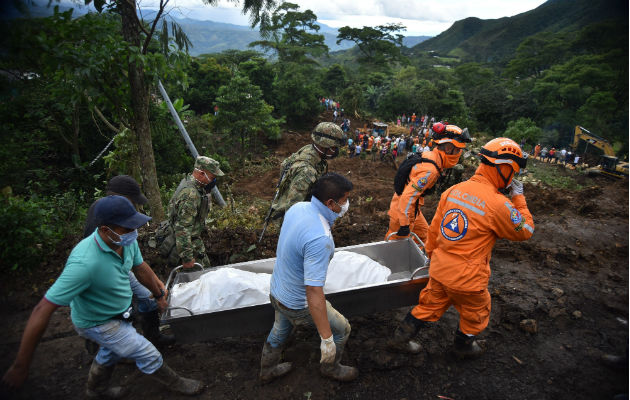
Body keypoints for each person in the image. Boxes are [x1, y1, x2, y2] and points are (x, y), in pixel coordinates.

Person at [2, 196, 204, 396]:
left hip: (118, 313)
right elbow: (42, 310)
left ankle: (95, 390)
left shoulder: (125, 242)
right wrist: (21, 365)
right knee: (146, 352)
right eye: (128, 228)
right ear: (106, 230)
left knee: (111, 351)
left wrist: (159, 294)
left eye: (135, 227)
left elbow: (140, 267)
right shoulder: (84, 263)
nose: (134, 233)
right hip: (96, 322)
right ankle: (178, 383)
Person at [388, 138, 534, 358]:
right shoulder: (499, 204)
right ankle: (463, 346)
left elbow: (434, 232)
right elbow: (526, 231)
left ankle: (399, 339)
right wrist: (518, 197)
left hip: (439, 269)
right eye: (513, 173)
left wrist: (433, 259)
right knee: (477, 310)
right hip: (469, 279)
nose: (513, 178)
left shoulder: (454, 191)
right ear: (505, 167)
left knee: (428, 305)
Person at [259, 173, 358, 383]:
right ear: (330, 203)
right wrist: (326, 338)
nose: (347, 205)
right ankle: (330, 368)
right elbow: (313, 290)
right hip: (297, 302)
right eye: (344, 201)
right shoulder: (320, 238)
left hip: (277, 290)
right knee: (342, 329)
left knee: (279, 328)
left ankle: (267, 370)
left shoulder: (298, 208)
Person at [84, 175, 174, 348]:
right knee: (120, 311)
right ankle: (102, 345)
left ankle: (154, 337)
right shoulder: (102, 216)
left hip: (123, 269)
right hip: (104, 275)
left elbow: (139, 264)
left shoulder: (125, 219)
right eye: (133, 201)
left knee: (147, 299)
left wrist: (157, 286)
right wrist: (157, 294)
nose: (135, 205)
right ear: (120, 197)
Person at [385, 124, 471, 244]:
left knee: (425, 235)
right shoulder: (430, 170)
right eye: (457, 150)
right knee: (396, 245)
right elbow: (407, 197)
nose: (458, 154)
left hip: (411, 208)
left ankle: (421, 260)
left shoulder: (431, 157)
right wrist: (404, 224)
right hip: (403, 210)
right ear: (447, 148)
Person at [270, 122, 346, 221]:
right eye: (334, 148)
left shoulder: (309, 150)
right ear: (324, 146)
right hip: (294, 220)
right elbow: (293, 208)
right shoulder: (306, 171)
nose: (335, 151)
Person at [159, 156, 224, 269]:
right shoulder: (191, 195)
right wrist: (187, 258)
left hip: (192, 241)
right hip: (188, 244)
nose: (213, 181)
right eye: (212, 177)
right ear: (201, 174)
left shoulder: (191, 185)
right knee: (200, 277)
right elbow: (182, 228)